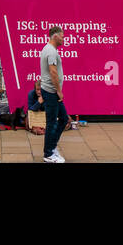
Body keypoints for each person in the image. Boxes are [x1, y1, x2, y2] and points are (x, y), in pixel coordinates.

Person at [38, 25, 71, 162]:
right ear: (55, 36)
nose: (64, 39)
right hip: (52, 92)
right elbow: (53, 72)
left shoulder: (50, 49)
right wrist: (59, 91)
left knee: (63, 119)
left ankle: (52, 147)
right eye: (62, 36)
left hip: (52, 92)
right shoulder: (51, 51)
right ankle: (49, 154)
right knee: (52, 123)